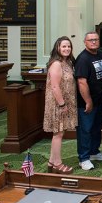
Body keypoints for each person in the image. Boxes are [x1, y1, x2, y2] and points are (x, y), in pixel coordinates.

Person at [44, 36, 77, 174]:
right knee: (58, 134)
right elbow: (55, 87)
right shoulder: (56, 63)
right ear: (58, 48)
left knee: (59, 133)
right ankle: (57, 164)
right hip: (58, 103)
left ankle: (51, 161)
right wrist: (62, 105)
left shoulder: (67, 62)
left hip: (64, 102)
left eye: (68, 46)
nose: (66, 49)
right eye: (63, 46)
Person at [75, 31, 102, 171]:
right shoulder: (82, 59)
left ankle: (94, 151)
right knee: (85, 130)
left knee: (96, 128)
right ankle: (84, 158)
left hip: (100, 100)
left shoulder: (101, 54)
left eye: (96, 39)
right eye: (90, 40)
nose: (93, 42)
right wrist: (88, 101)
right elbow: (82, 82)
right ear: (85, 42)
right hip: (86, 103)